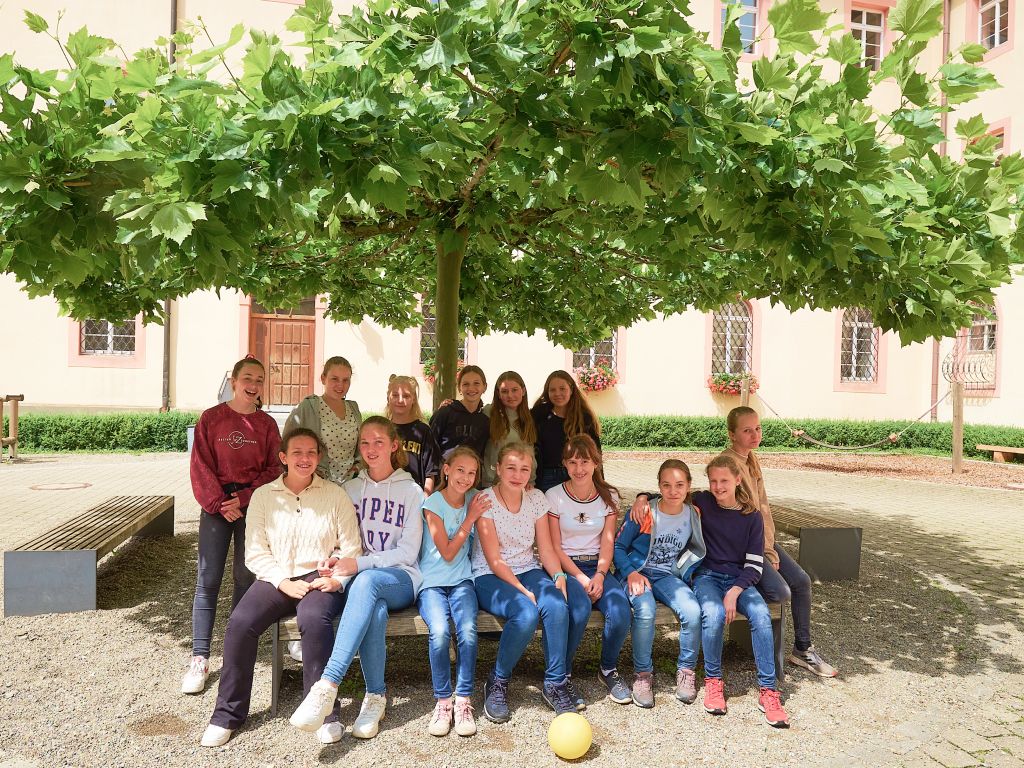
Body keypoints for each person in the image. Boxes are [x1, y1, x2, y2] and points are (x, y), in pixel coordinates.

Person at [200, 428, 363, 747]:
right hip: (276, 577)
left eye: (312, 453)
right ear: (284, 458)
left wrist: (335, 577)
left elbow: (351, 547)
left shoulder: (335, 494)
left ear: (319, 457)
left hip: (318, 577)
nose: (305, 459)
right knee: (240, 623)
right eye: (298, 452)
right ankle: (226, 715)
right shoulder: (264, 496)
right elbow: (256, 551)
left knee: (315, 622)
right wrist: (282, 582)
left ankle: (325, 714)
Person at [289, 417, 425, 739]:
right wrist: (336, 561)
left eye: (379, 442)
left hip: (401, 579)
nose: (371, 449)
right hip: (364, 583)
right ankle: (376, 696)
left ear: (394, 445)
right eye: (364, 443)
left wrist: (361, 564)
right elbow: (345, 541)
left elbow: (407, 552)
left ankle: (328, 684)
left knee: (367, 583)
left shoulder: (412, 492)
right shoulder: (350, 489)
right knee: (373, 609)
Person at [184, 355, 281, 695]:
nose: (253, 385)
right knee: (207, 580)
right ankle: (199, 657)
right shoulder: (212, 419)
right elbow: (200, 464)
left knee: (245, 577)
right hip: (216, 509)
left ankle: (234, 650)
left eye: (259, 379)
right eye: (248, 378)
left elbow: (273, 469)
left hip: (251, 508)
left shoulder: (267, 426)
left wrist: (242, 498)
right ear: (235, 380)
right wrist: (217, 503)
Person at [724, 406, 838, 677]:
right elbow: (742, 517)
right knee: (780, 590)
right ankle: (764, 651)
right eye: (747, 430)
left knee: (802, 581)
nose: (755, 435)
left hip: (764, 542)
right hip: (746, 548)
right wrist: (765, 551)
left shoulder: (751, 458)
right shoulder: (729, 464)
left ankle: (803, 649)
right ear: (732, 434)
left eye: (758, 428)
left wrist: (771, 547)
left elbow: (764, 508)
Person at [472, 442, 573, 723]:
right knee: (526, 613)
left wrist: (558, 575)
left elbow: (546, 548)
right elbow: (493, 560)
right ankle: (497, 681)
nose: (517, 475)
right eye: (511, 468)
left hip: (527, 567)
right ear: (498, 468)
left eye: (524, 469)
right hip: (489, 575)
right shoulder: (485, 500)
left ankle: (555, 683)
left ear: (531, 472)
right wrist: (522, 590)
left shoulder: (537, 498)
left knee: (556, 604)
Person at [692, 455, 789, 727]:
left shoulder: (751, 517)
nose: (718, 486)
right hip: (707, 576)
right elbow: (669, 491)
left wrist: (734, 591)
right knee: (711, 613)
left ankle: (768, 691)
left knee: (760, 614)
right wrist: (642, 497)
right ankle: (713, 680)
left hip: (740, 579)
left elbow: (755, 565)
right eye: (713, 480)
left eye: (724, 480)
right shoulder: (703, 501)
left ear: (737, 480)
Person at [546, 435, 631, 709]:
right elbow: (555, 547)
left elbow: (608, 541)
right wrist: (581, 578)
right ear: (564, 464)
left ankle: (607, 669)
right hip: (567, 567)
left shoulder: (609, 496)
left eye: (584, 461)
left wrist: (600, 575)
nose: (579, 468)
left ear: (596, 462)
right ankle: (563, 674)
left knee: (620, 611)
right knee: (579, 609)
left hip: (598, 566)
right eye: (572, 462)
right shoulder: (555, 496)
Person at [614, 459, 705, 709]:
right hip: (637, 572)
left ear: (688, 486)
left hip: (667, 576)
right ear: (659, 487)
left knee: (693, 611)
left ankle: (686, 671)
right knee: (645, 610)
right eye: (666, 485)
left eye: (679, 485)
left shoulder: (693, 514)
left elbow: (694, 548)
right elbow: (618, 547)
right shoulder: (644, 512)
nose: (673, 491)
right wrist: (630, 572)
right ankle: (643, 675)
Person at [417, 446, 490, 737]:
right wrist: (469, 518)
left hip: (462, 581)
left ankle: (463, 700)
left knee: (469, 631)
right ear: (446, 470)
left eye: (472, 473)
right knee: (439, 632)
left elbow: (504, 493)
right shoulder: (433, 504)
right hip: (432, 582)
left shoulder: (474, 498)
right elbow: (446, 552)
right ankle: (443, 700)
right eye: (460, 470)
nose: (466, 477)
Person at [285, 356, 362, 484]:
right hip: (317, 483)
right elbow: (286, 443)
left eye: (345, 380)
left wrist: (357, 467)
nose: (340, 385)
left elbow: (361, 445)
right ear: (323, 378)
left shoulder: (354, 408)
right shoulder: (308, 406)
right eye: (334, 379)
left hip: (350, 484)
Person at [531, 370, 601, 491]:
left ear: (571, 389)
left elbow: (596, 452)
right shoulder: (539, 414)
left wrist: (600, 483)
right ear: (547, 393)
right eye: (552, 390)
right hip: (547, 477)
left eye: (562, 388)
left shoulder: (584, 418)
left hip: (577, 474)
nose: (557, 393)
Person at [385, 374, 441, 493]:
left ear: (414, 399)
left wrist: (426, 497)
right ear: (388, 397)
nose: (400, 400)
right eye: (395, 395)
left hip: (415, 496)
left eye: (406, 396)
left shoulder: (423, 431)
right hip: (387, 495)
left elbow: (430, 473)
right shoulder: (383, 430)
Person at [482, 371, 537, 486]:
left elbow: (530, 452)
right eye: (505, 391)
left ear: (523, 391)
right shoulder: (488, 413)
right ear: (498, 393)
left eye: (514, 390)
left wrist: (530, 480)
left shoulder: (530, 418)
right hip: (493, 483)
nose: (510, 395)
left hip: (520, 482)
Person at [429, 365, 489, 461]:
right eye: (466, 384)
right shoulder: (445, 413)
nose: (471, 388)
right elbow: (429, 446)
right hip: (446, 472)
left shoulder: (485, 421)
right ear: (459, 388)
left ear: (484, 387)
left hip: (472, 473)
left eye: (476, 383)